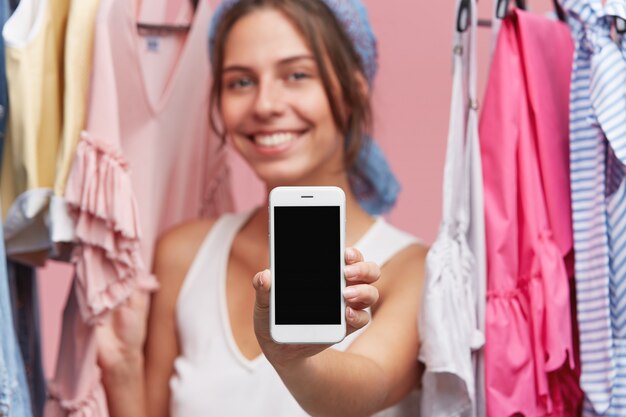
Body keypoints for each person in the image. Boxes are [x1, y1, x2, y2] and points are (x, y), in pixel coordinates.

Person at [97, 0, 427, 416]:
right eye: (240, 82)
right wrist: (123, 368)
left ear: (353, 91)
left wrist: (291, 357)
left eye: (297, 75)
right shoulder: (182, 255)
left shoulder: (412, 269)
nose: (265, 105)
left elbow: (366, 391)